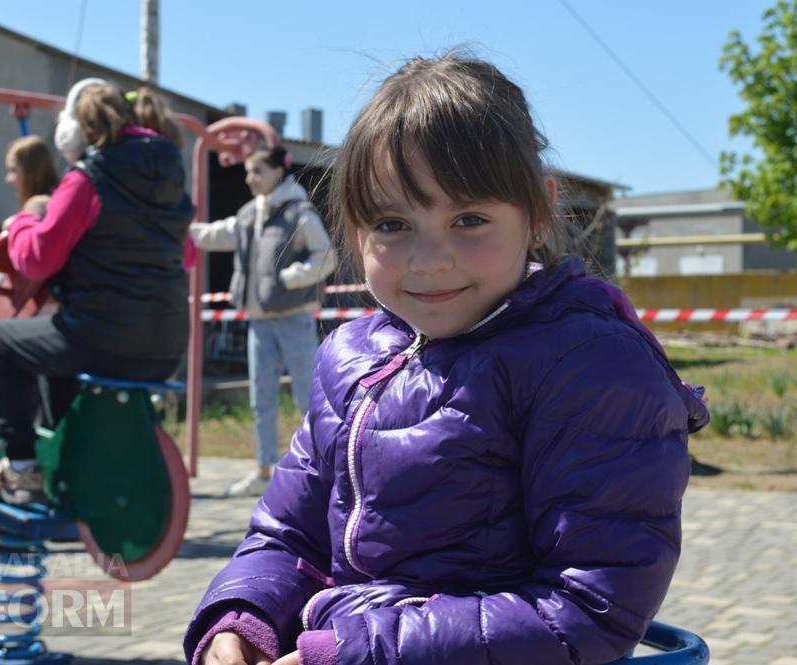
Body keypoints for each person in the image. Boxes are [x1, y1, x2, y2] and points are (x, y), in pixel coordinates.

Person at [183, 53, 710, 665]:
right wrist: (241, 619)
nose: (429, 259)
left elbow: (589, 607)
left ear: (538, 212)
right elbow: (287, 535)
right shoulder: (348, 360)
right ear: (353, 230)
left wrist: (351, 653)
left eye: (468, 219)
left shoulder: (590, 364)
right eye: (392, 223)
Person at [0, 82, 195, 505]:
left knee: (0, 341)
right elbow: (185, 253)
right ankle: (70, 466)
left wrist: (24, 219)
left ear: (74, 131)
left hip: (102, 336)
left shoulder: (87, 178)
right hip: (166, 346)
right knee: (54, 352)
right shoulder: (171, 175)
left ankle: (20, 469)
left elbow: (37, 260)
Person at [188, 145, 336, 498]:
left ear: (277, 172)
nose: (249, 178)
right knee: (261, 398)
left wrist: (292, 278)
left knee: (307, 397)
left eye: (256, 171)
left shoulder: (298, 212)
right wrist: (176, 224)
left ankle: (318, 469)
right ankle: (263, 470)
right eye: (248, 171)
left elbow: (325, 257)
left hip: (294, 318)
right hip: (259, 322)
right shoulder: (248, 215)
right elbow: (215, 235)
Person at [0, 136, 59, 335]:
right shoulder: (59, 203)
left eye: (14, 171)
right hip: (42, 305)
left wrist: (13, 227)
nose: (9, 179)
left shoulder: (38, 208)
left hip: (36, 308)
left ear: (31, 172)